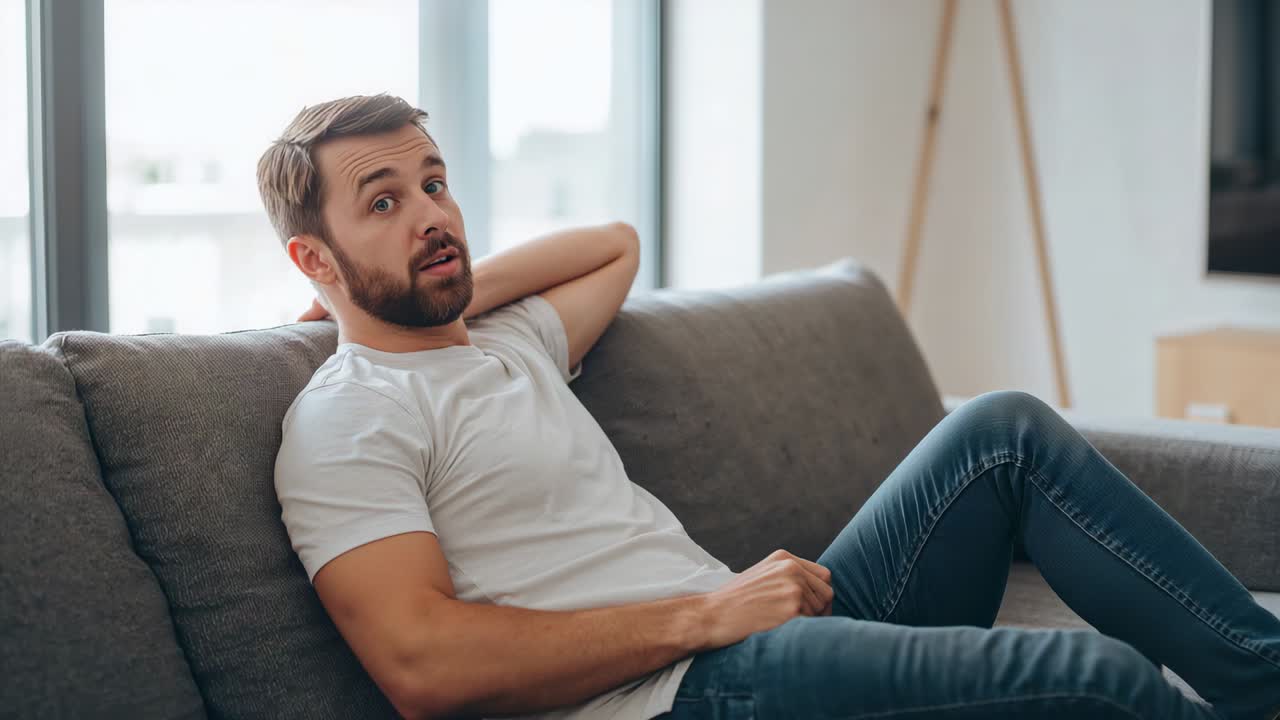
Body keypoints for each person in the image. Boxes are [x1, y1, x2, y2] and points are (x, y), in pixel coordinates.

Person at [259, 94, 1280, 720]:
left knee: (999, 434)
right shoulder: (350, 420)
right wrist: (706, 614)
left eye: (435, 184)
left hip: (756, 643)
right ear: (313, 255)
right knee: (1095, 681)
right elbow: (420, 669)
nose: (434, 216)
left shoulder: (507, 343)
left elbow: (614, 242)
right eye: (383, 202)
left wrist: (423, 286)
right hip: (674, 695)